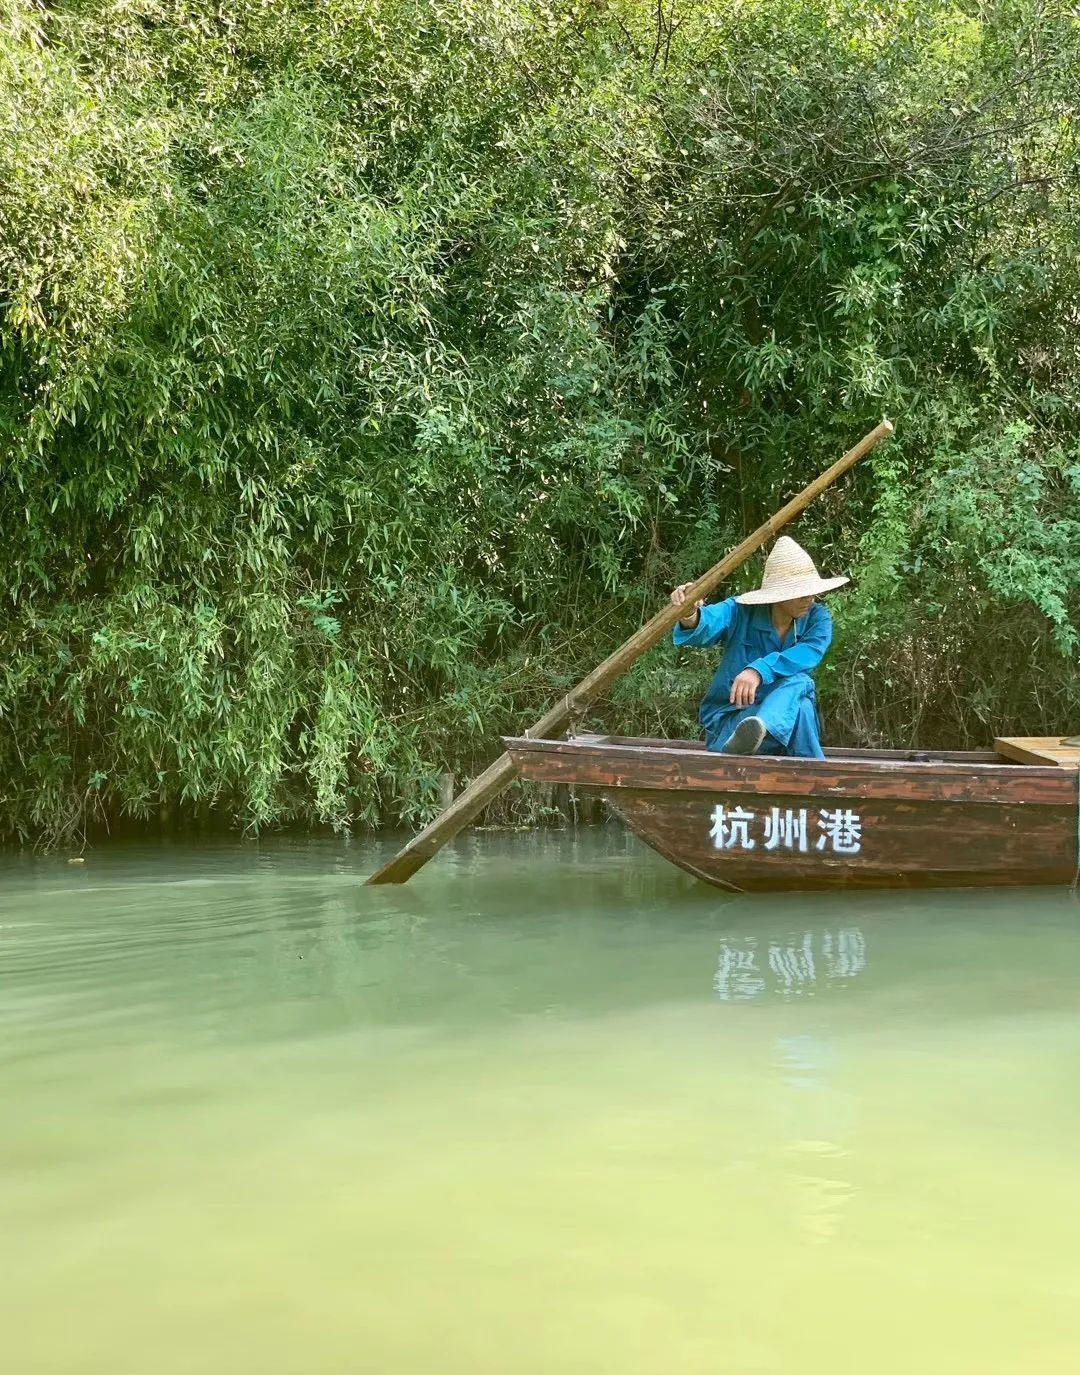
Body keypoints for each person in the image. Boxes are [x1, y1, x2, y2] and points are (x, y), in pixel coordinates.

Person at [669, 536, 848, 758]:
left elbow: (808, 653)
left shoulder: (817, 618)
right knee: (801, 686)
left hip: (787, 728)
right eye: (801, 593)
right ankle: (813, 770)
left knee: (800, 691)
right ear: (780, 594)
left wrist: (758, 670)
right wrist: (689, 613)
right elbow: (708, 622)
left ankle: (767, 728)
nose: (809, 599)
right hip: (732, 728)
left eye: (811, 591)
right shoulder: (741, 610)